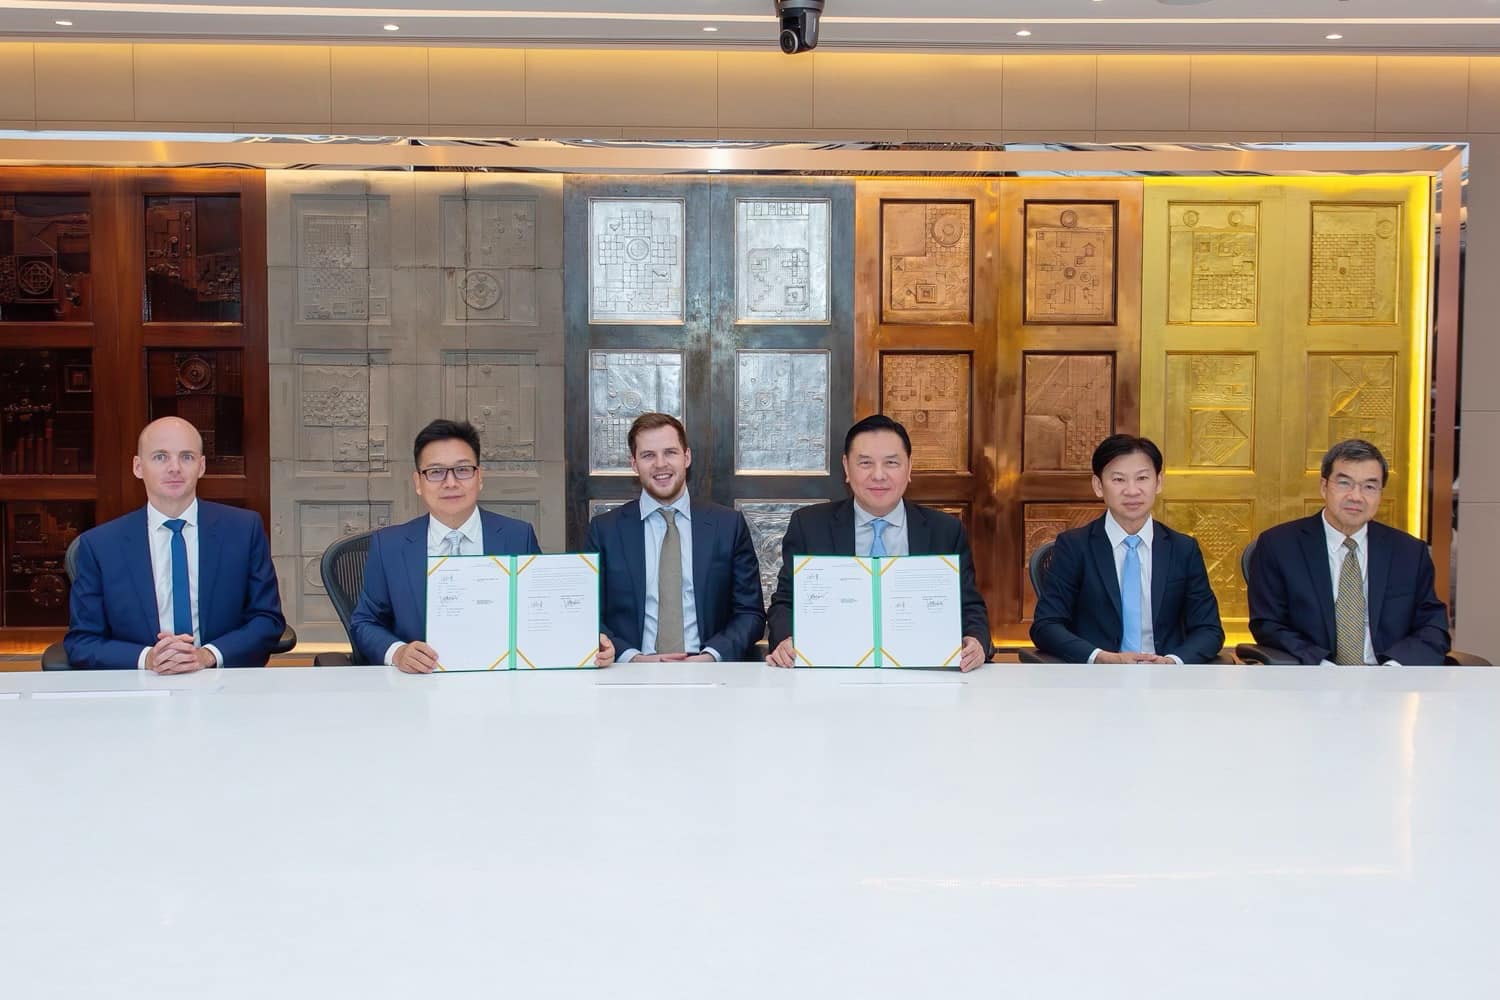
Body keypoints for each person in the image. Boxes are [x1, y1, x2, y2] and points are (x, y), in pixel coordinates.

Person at [351, 418, 613, 672]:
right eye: (436, 472)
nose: (451, 482)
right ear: (418, 483)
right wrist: (398, 653)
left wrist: (590, 642)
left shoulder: (516, 537)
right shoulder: (390, 546)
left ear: (480, 477)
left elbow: (544, 610)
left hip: (501, 684)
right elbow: (365, 622)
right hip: (420, 684)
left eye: (463, 470)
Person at [766, 414, 992, 670]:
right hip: (832, 670)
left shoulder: (945, 531)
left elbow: (969, 605)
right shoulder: (809, 526)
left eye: (891, 463)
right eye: (865, 463)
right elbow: (785, 602)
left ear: (909, 467)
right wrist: (785, 640)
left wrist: (976, 641)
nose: (878, 475)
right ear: (846, 467)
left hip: (923, 671)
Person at [65, 416, 285, 671]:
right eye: (160, 457)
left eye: (187, 457)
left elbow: (267, 620)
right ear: (138, 467)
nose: (174, 468)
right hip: (138, 683)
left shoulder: (244, 530)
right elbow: (82, 641)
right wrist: (149, 658)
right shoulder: (100, 545)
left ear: (201, 466)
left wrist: (206, 656)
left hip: (221, 678)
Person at [1248, 438, 1450, 665]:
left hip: (1391, 676)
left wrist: (1393, 668)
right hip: (1314, 675)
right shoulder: (1279, 546)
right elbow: (1268, 624)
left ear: (1380, 494)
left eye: (1369, 487)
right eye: (1345, 483)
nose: (1356, 496)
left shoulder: (1409, 552)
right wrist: (1320, 665)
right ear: (1324, 487)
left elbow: (1433, 627)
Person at [586, 413, 765, 663]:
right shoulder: (605, 530)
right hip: (632, 672)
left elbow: (750, 613)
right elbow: (588, 612)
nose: (660, 464)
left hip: (710, 671)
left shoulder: (728, 526)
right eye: (648, 455)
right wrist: (631, 657)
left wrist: (711, 656)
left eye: (670, 452)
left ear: (686, 457)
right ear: (634, 464)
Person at [1030, 434, 1224, 664]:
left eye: (1142, 478)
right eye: (1119, 480)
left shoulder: (1183, 549)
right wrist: (1101, 657)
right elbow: (1046, 625)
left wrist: (1172, 661)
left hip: (1167, 676)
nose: (1132, 491)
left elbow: (1209, 629)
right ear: (1098, 486)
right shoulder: (1074, 547)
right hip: (1098, 677)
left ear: (1158, 482)